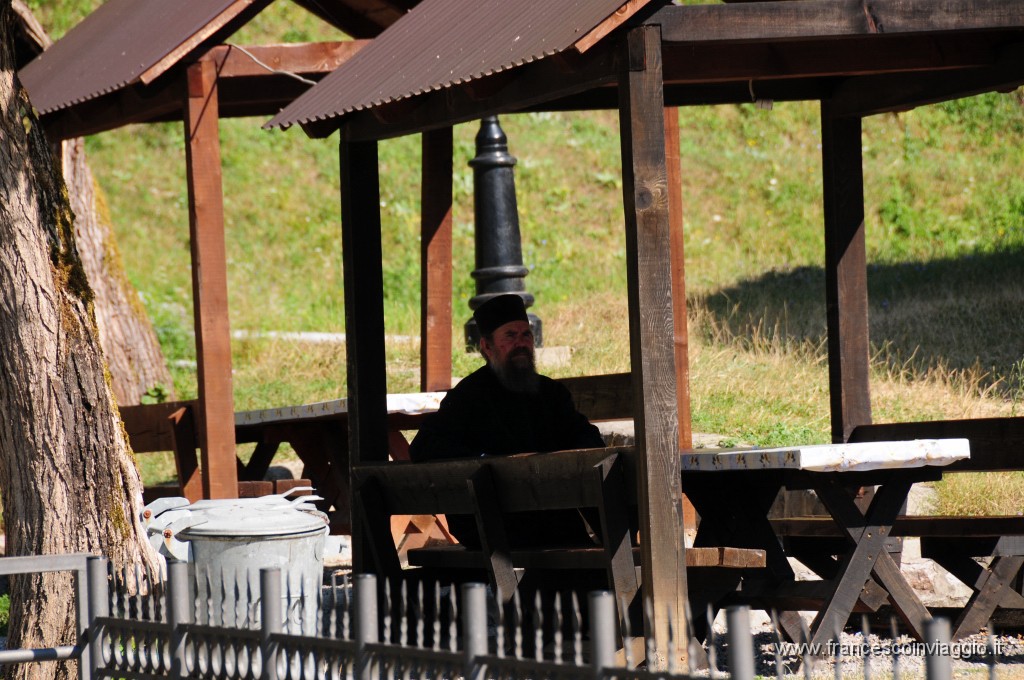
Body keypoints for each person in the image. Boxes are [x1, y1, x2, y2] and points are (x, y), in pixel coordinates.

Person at [409, 293, 606, 549]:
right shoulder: (467, 396)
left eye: (526, 335)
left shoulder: (551, 393)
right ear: (487, 347)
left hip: (552, 516)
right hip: (491, 521)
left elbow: (584, 435)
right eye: (510, 336)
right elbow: (425, 447)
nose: (521, 343)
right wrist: (484, 461)